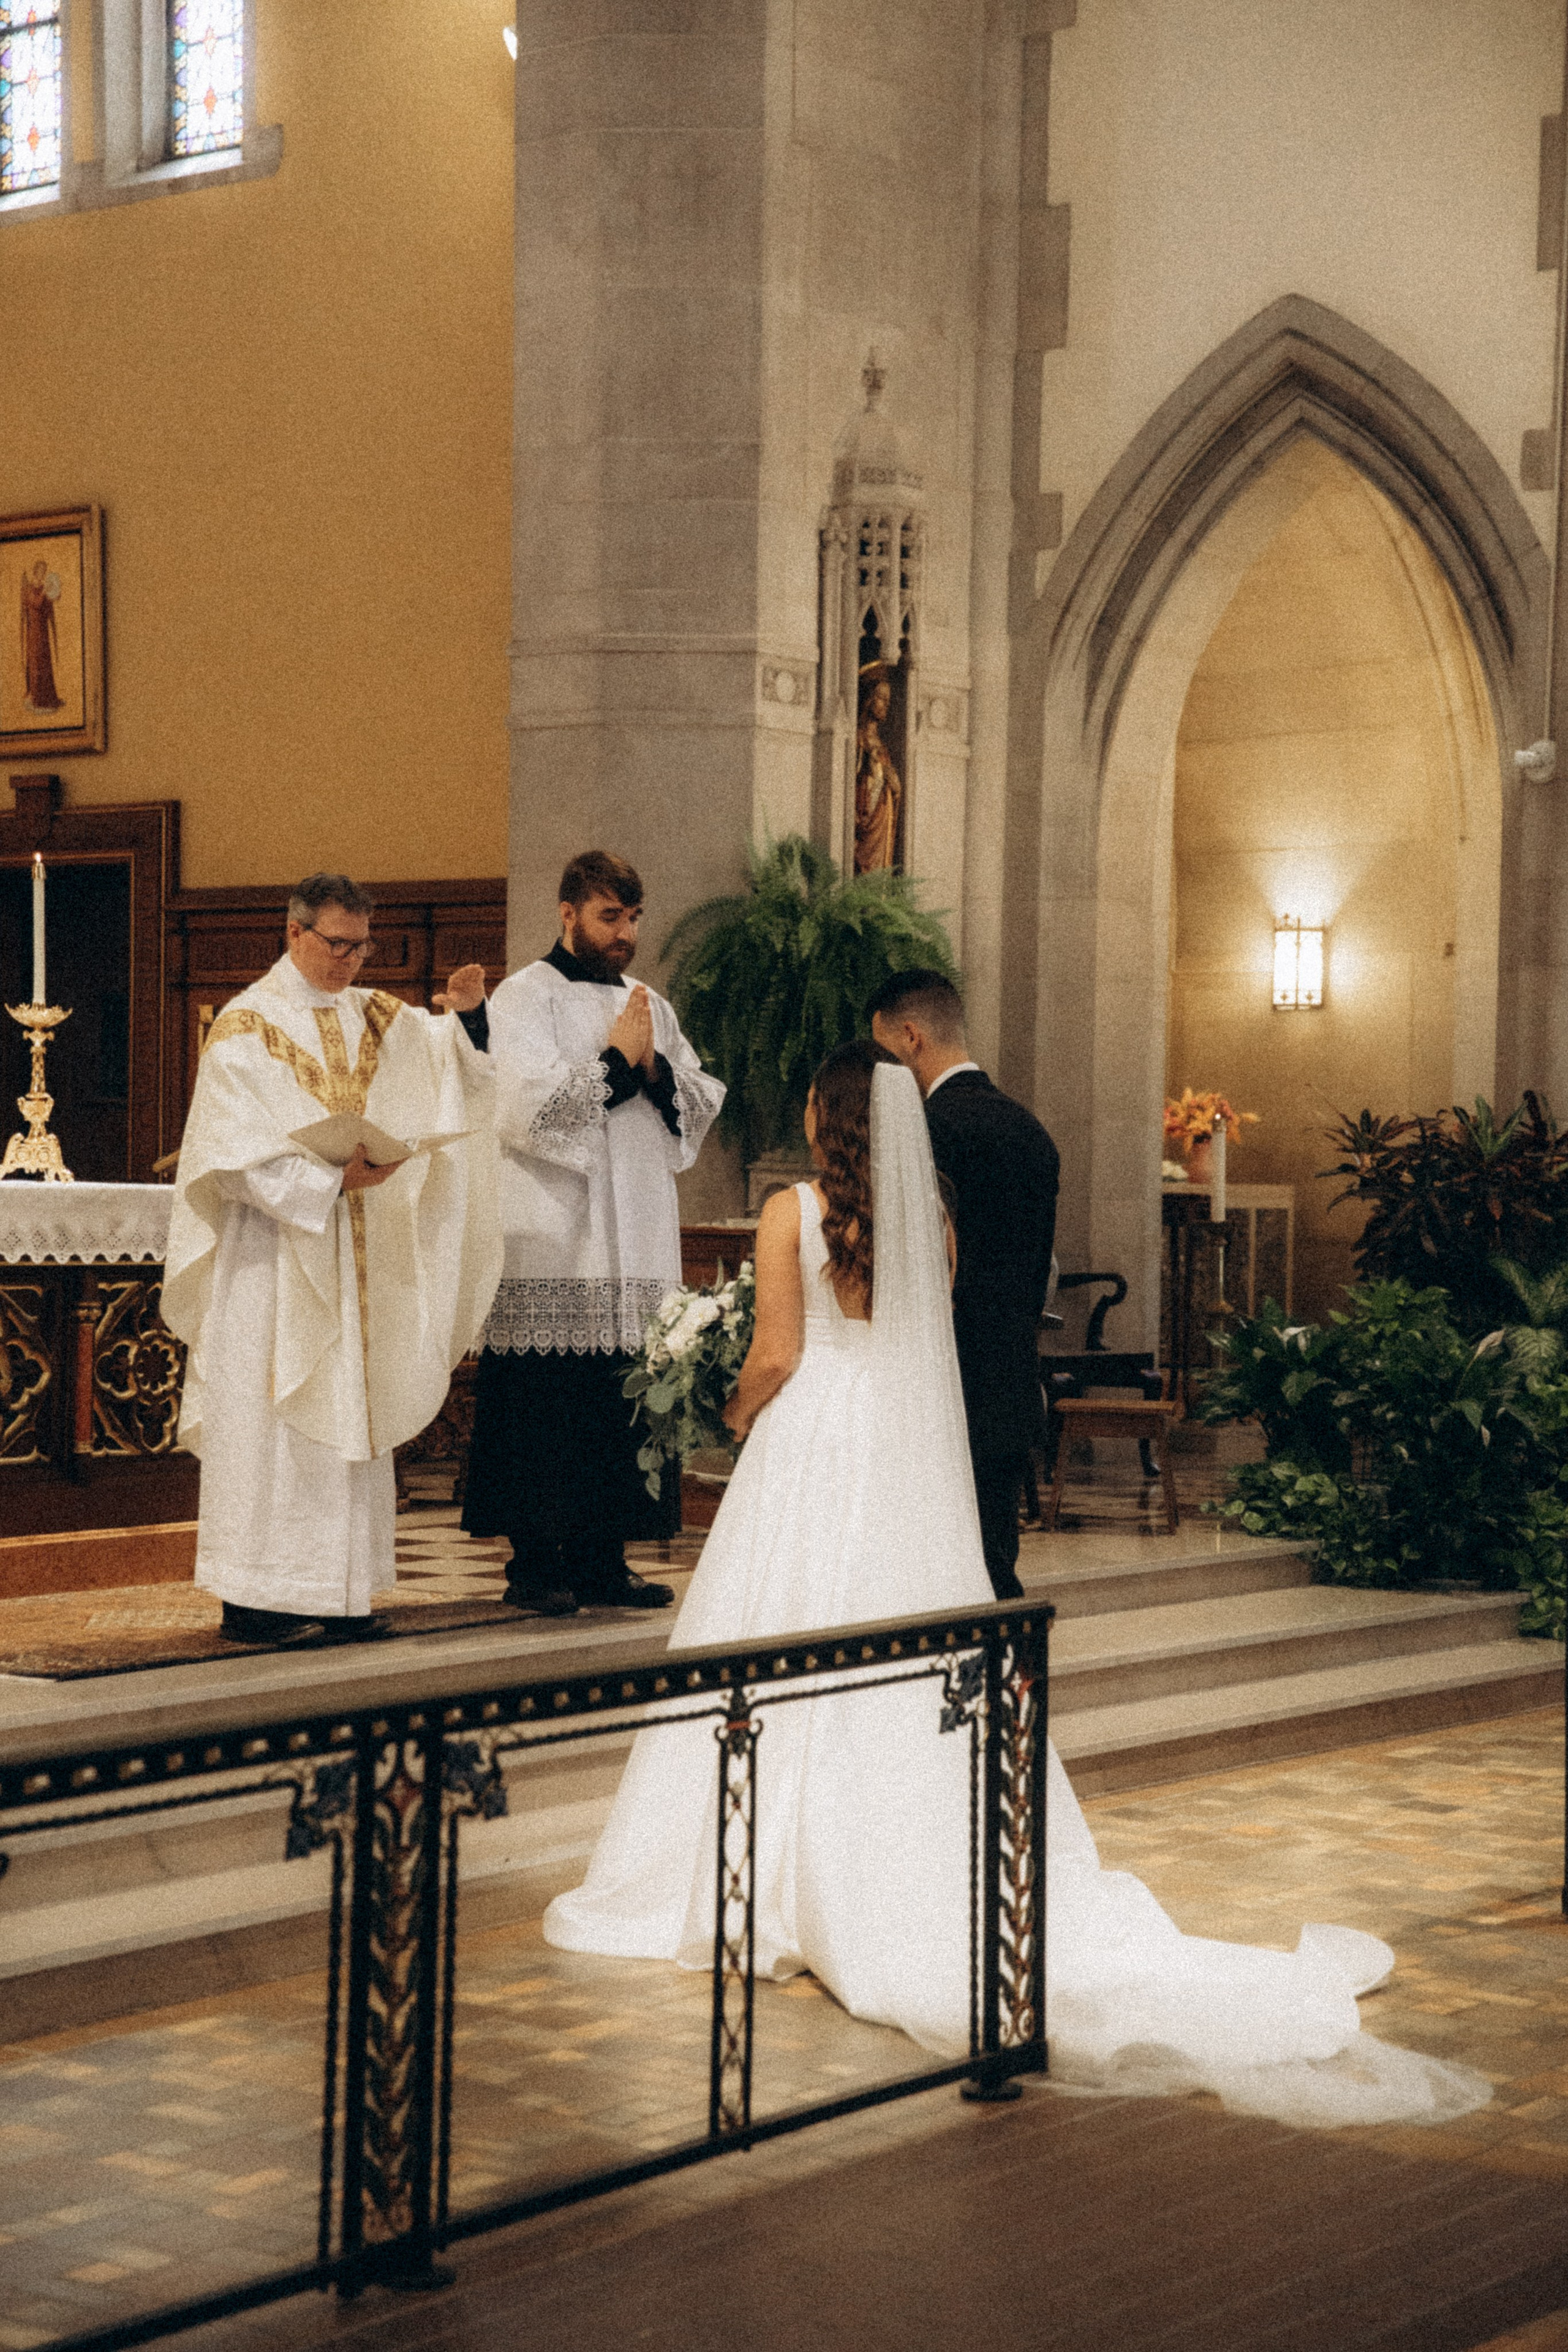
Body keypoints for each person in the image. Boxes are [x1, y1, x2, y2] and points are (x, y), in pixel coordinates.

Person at [543, 1045, 1489, 2131]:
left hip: (809, 1451)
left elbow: (776, 1353)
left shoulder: (788, 1211)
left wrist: (732, 1414)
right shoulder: (930, 1219)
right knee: (899, 1657)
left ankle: (768, 1871)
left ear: (822, 1119)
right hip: (899, 1462)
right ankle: (890, 1859)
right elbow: (914, 1348)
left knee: (776, 1643)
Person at [162, 873, 502, 1645]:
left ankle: (339, 1593)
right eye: (336, 944)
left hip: (358, 1257)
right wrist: (324, 1176)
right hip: (273, 1260)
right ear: (294, 933)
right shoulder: (246, 1028)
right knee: (273, 1420)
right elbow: (227, 1155)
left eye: (361, 946)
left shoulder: (379, 1015)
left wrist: (472, 1017)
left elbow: (452, 1063)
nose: (350, 960)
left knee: (349, 1412)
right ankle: (255, 1600)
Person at [461, 849, 726, 1617]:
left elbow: (699, 1097)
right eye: (611, 916)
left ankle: (606, 1559)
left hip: (636, 1227)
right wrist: (617, 1063)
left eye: (634, 918)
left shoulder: (650, 1000)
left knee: (624, 1399)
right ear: (568, 912)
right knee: (551, 1405)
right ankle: (537, 1563)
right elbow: (523, 1108)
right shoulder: (525, 997)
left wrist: (653, 1073)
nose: (625, 933)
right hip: (556, 1231)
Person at [869, 968, 1057, 1600]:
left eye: (882, 1051)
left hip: (942, 1376)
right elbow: (1036, 1272)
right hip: (1009, 1372)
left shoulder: (927, 1129)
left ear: (911, 1037)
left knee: (939, 1572)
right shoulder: (1032, 1133)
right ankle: (1008, 1685)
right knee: (994, 1559)